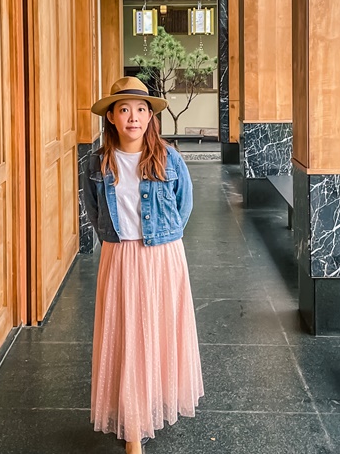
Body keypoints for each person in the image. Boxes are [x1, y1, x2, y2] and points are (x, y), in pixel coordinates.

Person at [82, 76, 204, 454]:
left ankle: (149, 405)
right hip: (119, 256)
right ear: (112, 118)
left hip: (163, 256)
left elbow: (184, 206)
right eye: (124, 109)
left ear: (150, 117)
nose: (133, 117)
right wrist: (120, 246)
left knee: (157, 333)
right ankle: (132, 429)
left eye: (141, 109)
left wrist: (164, 240)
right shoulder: (97, 162)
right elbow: (93, 209)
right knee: (126, 336)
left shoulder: (169, 157)